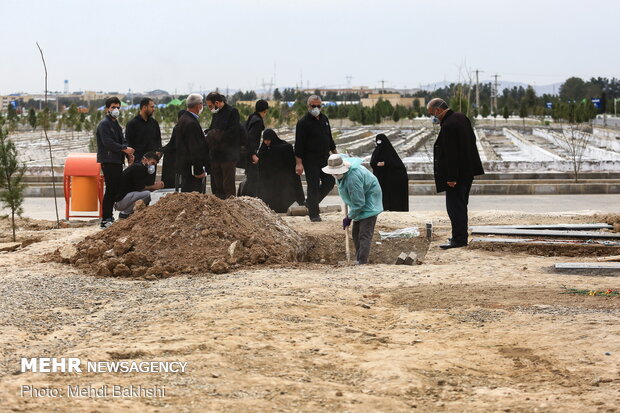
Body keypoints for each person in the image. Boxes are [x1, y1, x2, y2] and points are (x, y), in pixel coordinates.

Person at [427, 98, 484, 249]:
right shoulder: (461, 117)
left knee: (455, 208)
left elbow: (451, 154)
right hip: (467, 172)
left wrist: (451, 177)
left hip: (456, 177)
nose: (433, 116)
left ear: (438, 110)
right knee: (461, 205)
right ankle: (460, 236)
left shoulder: (448, 125)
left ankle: (459, 239)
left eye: (431, 113)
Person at [323, 154, 382, 265]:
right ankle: (358, 258)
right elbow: (341, 155)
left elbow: (359, 203)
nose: (334, 175)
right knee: (355, 233)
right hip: (359, 201)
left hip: (369, 203)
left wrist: (349, 217)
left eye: (336, 173)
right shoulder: (341, 169)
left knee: (364, 234)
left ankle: (362, 262)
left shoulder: (352, 179)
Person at [294, 95, 337, 222]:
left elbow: (330, 139)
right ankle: (314, 214)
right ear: (308, 106)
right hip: (310, 159)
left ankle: (311, 203)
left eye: (319, 106)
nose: (316, 108)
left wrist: (336, 154)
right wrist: (299, 163)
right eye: (314, 106)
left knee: (329, 182)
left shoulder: (324, 119)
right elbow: (299, 145)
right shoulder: (303, 123)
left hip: (325, 158)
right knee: (313, 185)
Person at [96, 96, 134, 228]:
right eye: (113, 107)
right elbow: (108, 143)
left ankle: (110, 216)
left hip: (117, 161)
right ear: (107, 109)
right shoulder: (104, 124)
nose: (116, 110)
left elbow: (122, 140)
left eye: (118, 107)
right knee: (111, 189)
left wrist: (127, 151)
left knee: (115, 189)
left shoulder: (116, 124)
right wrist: (124, 149)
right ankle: (106, 218)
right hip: (109, 160)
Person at [257, 129, 305, 213]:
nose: (267, 142)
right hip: (270, 178)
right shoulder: (264, 148)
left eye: (268, 140)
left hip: (284, 177)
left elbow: (289, 162)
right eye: (265, 140)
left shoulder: (285, 147)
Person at [205, 92, 240, 199]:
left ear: (217, 103)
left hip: (228, 155)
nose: (210, 108)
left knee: (228, 185)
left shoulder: (232, 112)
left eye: (210, 106)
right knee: (217, 185)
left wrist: (217, 134)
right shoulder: (216, 113)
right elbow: (212, 128)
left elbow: (233, 132)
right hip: (216, 155)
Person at [114, 152, 164, 218]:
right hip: (120, 201)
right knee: (148, 194)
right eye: (152, 163)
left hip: (124, 199)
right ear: (145, 160)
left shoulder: (140, 167)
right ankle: (125, 213)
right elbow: (141, 188)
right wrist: (155, 186)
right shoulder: (138, 168)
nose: (153, 165)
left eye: (154, 164)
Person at [175, 94, 208, 193]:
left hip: (185, 166)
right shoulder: (191, 123)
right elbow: (194, 148)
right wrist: (198, 170)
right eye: (202, 104)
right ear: (198, 105)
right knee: (193, 196)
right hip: (191, 169)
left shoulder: (184, 119)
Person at [125, 97, 162, 186]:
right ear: (144, 107)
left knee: (150, 186)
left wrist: (159, 153)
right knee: (138, 187)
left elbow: (158, 140)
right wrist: (131, 161)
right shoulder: (132, 124)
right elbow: (128, 143)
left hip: (152, 162)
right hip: (138, 163)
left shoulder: (154, 123)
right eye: (152, 107)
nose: (154, 109)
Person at [370, 133, 409, 211]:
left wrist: (386, 163)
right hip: (381, 178)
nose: (379, 143)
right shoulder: (376, 152)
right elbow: (372, 163)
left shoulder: (390, 152)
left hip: (391, 179)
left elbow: (398, 167)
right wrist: (377, 165)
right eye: (378, 141)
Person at [240, 99, 269, 196]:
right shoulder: (257, 121)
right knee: (253, 178)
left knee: (251, 177)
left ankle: (245, 198)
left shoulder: (252, 117)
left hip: (246, 151)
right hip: (250, 152)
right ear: (265, 111)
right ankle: (248, 199)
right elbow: (251, 138)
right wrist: (253, 154)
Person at [160, 109, 185, 189]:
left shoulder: (178, 127)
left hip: (175, 157)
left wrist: (162, 150)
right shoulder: (188, 125)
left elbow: (172, 144)